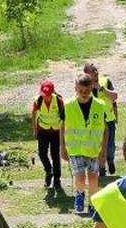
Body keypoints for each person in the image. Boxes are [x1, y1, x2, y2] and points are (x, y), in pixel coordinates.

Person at [61, 73, 107, 216]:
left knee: (93, 178)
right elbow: (62, 126)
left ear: (92, 87)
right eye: (80, 91)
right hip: (75, 148)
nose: (84, 94)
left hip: (94, 149)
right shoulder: (68, 105)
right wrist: (62, 147)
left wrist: (103, 151)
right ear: (75, 87)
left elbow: (106, 129)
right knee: (80, 177)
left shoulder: (100, 105)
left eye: (87, 91)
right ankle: (79, 194)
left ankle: (93, 203)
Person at [84, 62, 117, 176]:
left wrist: (102, 89)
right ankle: (102, 170)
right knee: (97, 146)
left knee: (110, 146)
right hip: (95, 122)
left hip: (109, 119)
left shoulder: (106, 81)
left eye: (96, 70)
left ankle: (110, 160)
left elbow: (115, 96)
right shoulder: (84, 85)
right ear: (87, 74)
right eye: (92, 71)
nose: (95, 72)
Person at [31, 80, 65, 191]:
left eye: (48, 95)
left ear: (52, 93)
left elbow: (64, 117)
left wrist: (64, 132)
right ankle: (48, 171)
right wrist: (35, 130)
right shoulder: (38, 100)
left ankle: (57, 179)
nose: (46, 97)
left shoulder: (59, 101)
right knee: (42, 154)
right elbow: (33, 115)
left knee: (55, 155)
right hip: (43, 130)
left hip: (55, 131)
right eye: (44, 95)